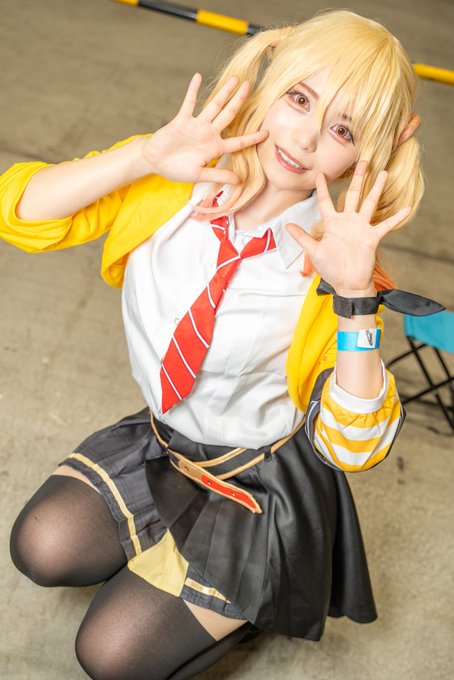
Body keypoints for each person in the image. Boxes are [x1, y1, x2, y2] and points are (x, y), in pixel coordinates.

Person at [0, 9, 435, 680]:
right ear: (269, 83)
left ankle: (252, 603)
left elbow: (355, 445)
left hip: (258, 483)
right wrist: (142, 157)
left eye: (342, 130)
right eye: (300, 99)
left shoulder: (338, 266)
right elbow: (20, 213)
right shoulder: (176, 175)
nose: (306, 137)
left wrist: (354, 298)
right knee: (41, 546)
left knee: (111, 654)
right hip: (164, 442)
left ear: (363, 156)